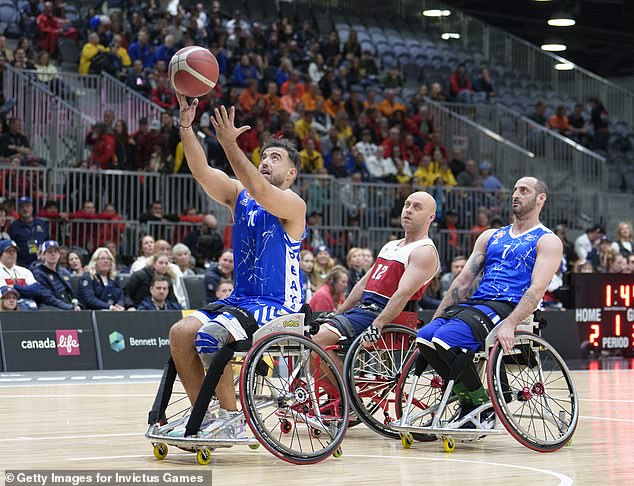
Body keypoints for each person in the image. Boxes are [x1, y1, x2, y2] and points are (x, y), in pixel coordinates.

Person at [164, 95, 306, 439]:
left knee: (211, 338)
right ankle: (206, 416)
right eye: (263, 157)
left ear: (291, 173)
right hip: (241, 300)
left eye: (275, 158)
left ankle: (232, 419)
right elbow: (201, 171)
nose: (265, 162)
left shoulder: (292, 204)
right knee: (181, 333)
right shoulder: (239, 195)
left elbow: (258, 188)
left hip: (279, 305)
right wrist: (186, 126)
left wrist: (229, 145)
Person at [416, 177, 562, 426]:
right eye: (514, 189)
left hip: (509, 306)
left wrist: (510, 323)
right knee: (426, 336)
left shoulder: (547, 240)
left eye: (523, 190)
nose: (515, 194)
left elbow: (537, 289)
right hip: (478, 303)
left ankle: (480, 405)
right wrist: (439, 313)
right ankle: (468, 397)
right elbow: (463, 282)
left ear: (540, 199)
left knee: (447, 339)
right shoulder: (490, 236)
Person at [312, 192, 440, 373]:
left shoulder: (424, 251)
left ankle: (346, 399)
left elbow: (403, 293)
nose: (409, 210)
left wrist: (377, 325)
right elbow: (364, 284)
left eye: (417, 207)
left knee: (317, 341)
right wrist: (338, 312)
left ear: (431, 217)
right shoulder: (390, 246)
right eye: (407, 205)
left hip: (387, 316)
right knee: (309, 338)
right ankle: (339, 396)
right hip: (364, 311)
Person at [32, 240, 81, 311]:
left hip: (68, 305)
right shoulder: (38, 273)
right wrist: (68, 307)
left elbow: (73, 292)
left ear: (59, 254)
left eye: (55, 251)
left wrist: (77, 305)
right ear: (44, 255)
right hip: (51, 308)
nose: (53, 254)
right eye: (49, 252)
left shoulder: (65, 272)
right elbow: (46, 297)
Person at [8, 196, 50, 267]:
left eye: (27, 206)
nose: (25, 209)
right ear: (18, 209)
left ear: (32, 208)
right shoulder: (13, 226)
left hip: (41, 263)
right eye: (22, 207)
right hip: (21, 264)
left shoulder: (41, 224)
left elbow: (47, 241)